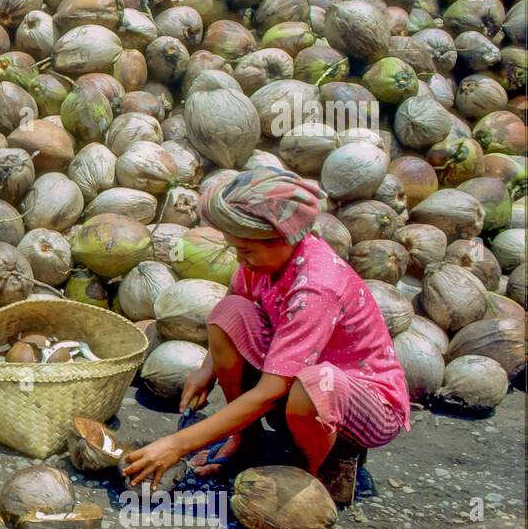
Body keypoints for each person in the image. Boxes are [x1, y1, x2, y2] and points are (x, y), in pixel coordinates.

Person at [123, 167, 410, 490]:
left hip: (368, 403)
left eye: (246, 251)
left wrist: (176, 444)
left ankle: (305, 474)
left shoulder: (316, 286)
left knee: (314, 384)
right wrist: (208, 368)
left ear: (284, 238)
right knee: (227, 313)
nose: (240, 260)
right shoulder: (261, 264)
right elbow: (235, 301)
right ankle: (245, 438)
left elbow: (271, 390)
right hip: (301, 374)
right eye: (236, 250)